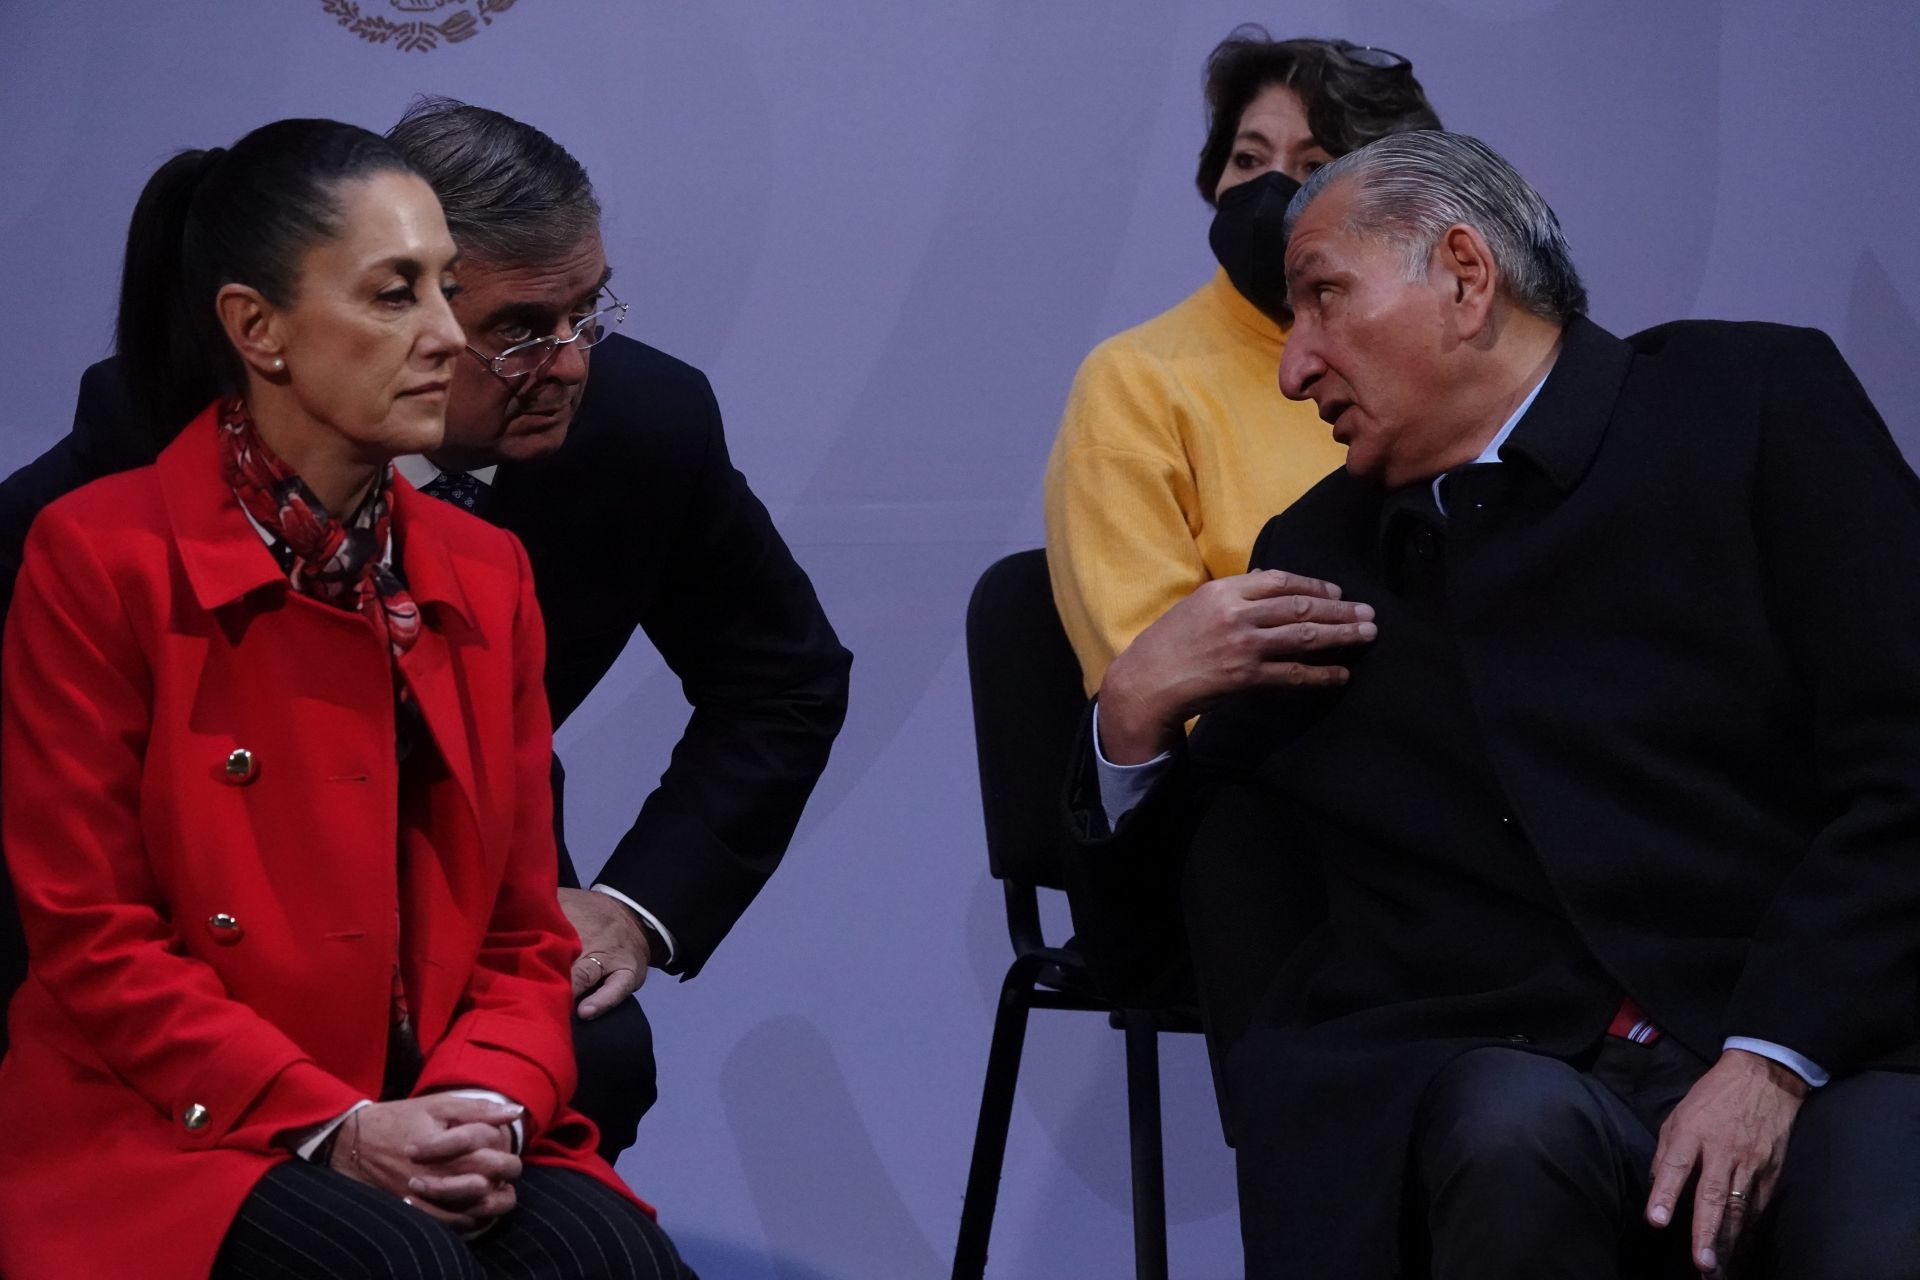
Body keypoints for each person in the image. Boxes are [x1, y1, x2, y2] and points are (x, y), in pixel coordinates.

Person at [1068, 130, 1920, 1278]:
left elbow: (1907, 759)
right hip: (1516, 1067)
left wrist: (1772, 1055)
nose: (1291, 365)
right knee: (1505, 1132)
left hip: (1825, 1029)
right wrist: (1132, 722)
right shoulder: (1317, 554)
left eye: (1323, 298)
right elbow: (1177, 934)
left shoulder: (1753, 401)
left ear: (1465, 277)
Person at [0, 99, 853, 1159]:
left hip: (462, 902)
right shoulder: (154, 432)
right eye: (519, 329)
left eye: (590, 312)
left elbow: (784, 677)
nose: (573, 362)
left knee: (601, 1067)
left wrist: (635, 904)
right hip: (201, 932)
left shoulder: (644, 425)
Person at [1042, 28, 1440, 695]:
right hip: (1278, 772)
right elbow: (1153, 685)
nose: (1272, 189)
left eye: (1315, 167)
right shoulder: (1136, 380)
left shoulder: (1441, 360)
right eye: (1249, 159)